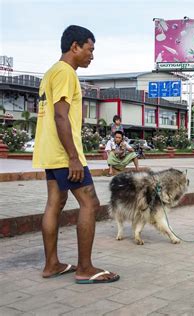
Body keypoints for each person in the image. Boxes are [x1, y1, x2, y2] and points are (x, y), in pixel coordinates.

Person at [32, 25, 119, 283]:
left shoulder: (50, 72)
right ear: (75, 47)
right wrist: (72, 157)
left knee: (54, 204)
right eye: (90, 49)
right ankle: (85, 268)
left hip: (50, 151)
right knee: (90, 203)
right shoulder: (66, 72)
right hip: (63, 153)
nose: (92, 55)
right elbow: (60, 116)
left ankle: (52, 265)